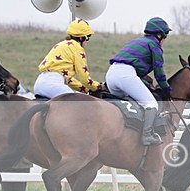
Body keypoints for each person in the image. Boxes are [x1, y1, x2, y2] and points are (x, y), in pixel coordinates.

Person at [106, 17, 173, 146]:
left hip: (111, 74)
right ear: (159, 35)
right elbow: (159, 74)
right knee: (151, 104)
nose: (165, 39)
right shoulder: (155, 45)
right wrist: (167, 90)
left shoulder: (136, 41)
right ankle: (147, 135)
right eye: (166, 35)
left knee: (129, 104)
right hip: (126, 75)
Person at [33, 19, 103, 99]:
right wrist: (98, 87)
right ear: (81, 38)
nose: (87, 42)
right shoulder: (77, 48)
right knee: (79, 105)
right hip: (53, 85)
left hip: (39, 84)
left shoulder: (61, 45)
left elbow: (69, 80)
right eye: (87, 38)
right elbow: (84, 79)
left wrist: (86, 90)